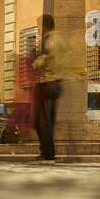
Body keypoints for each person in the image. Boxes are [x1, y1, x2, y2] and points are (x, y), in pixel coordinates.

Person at [32, 13, 72, 162]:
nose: (38, 29)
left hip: (47, 82)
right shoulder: (62, 39)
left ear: (44, 26)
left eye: (39, 26)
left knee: (41, 120)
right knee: (49, 120)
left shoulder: (49, 39)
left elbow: (46, 57)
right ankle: (49, 152)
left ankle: (48, 153)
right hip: (58, 83)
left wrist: (36, 63)